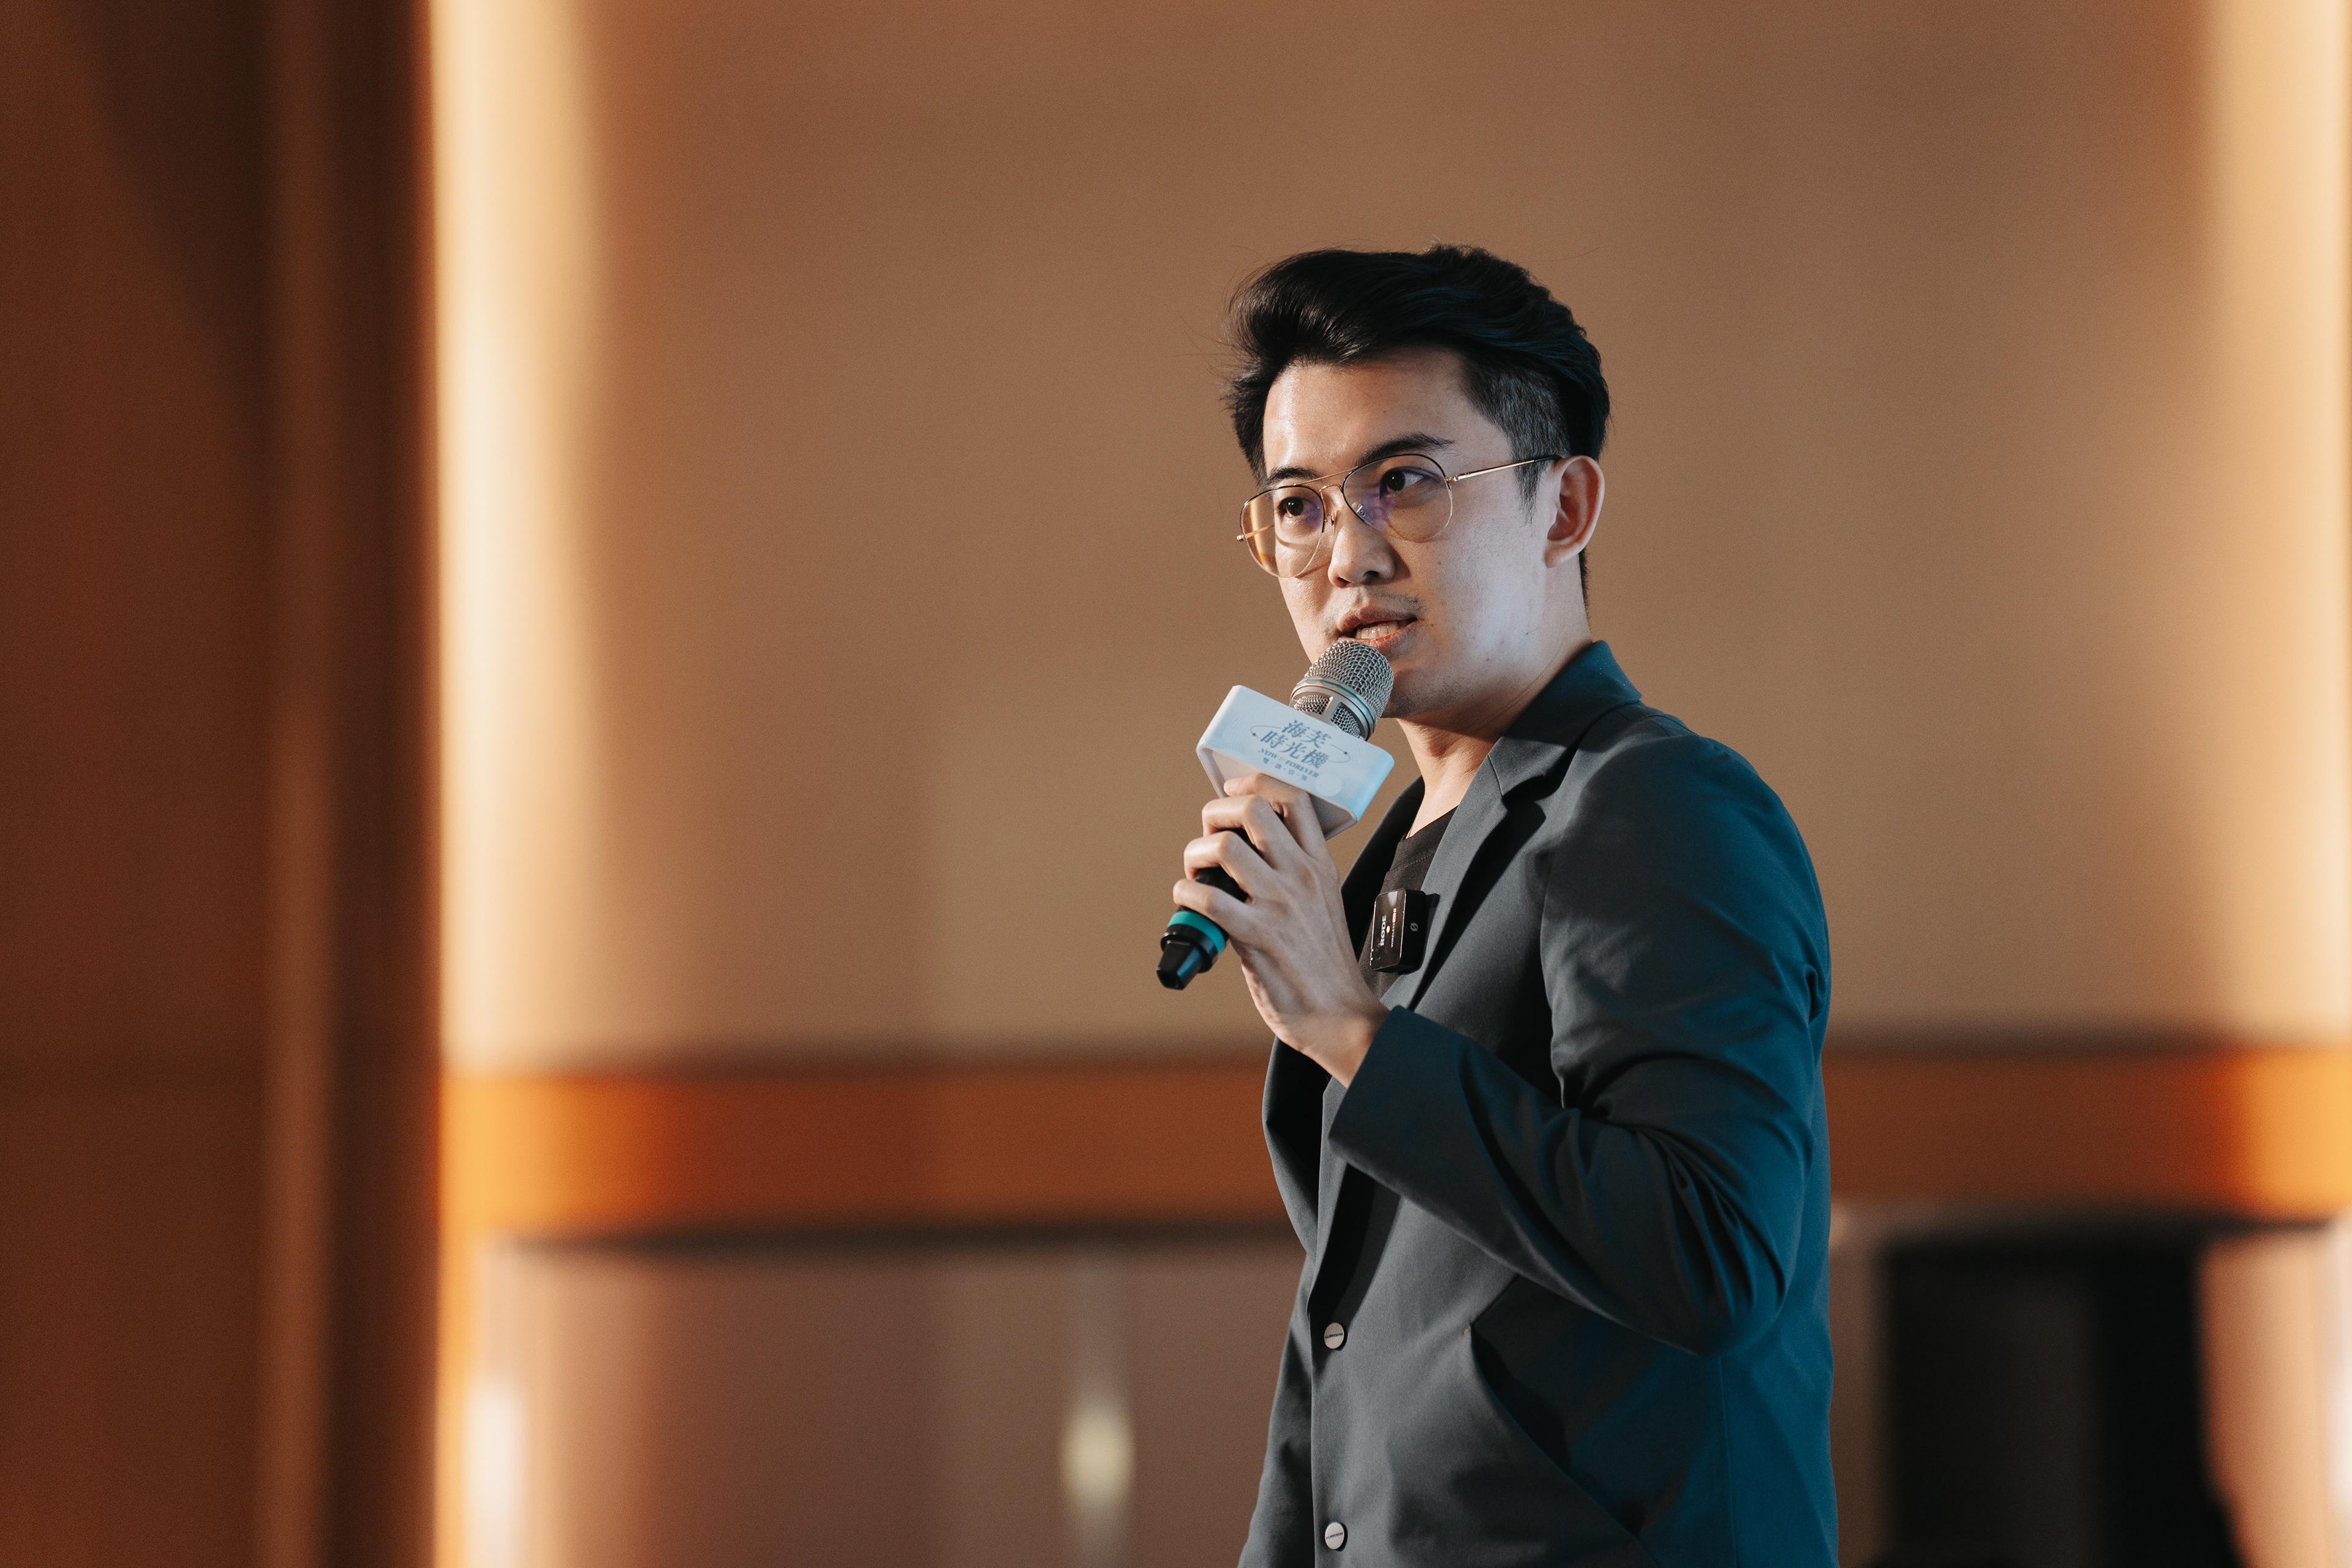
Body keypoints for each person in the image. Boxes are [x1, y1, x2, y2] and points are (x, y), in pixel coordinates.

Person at [1172, 245, 1836, 1566]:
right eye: (1299, 506)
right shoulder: (1391, 855)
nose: (1347, 554)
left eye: (1406, 482)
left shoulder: (1657, 805)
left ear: (1563, 505)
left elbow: (1712, 1255)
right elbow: (1349, 1343)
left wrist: (1353, 1033)